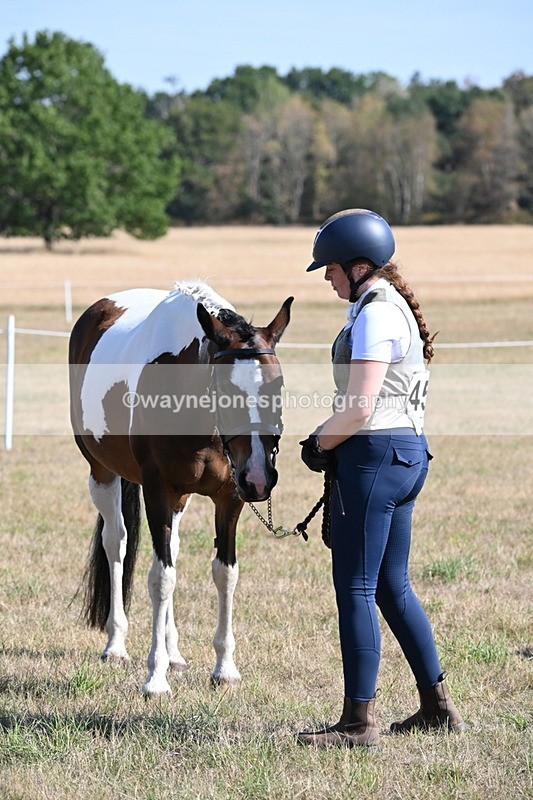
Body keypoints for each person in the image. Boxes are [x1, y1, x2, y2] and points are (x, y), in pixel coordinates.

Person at [297, 208, 466, 748]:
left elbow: (360, 407)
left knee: (357, 587)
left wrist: (320, 441)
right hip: (404, 455)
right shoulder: (386, 306)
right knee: (392, 588)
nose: (326, 277)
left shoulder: (374, 313)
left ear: (357, 264)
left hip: (373, 457)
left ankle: (358, 723)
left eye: (330, 268)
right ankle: (437, 706)